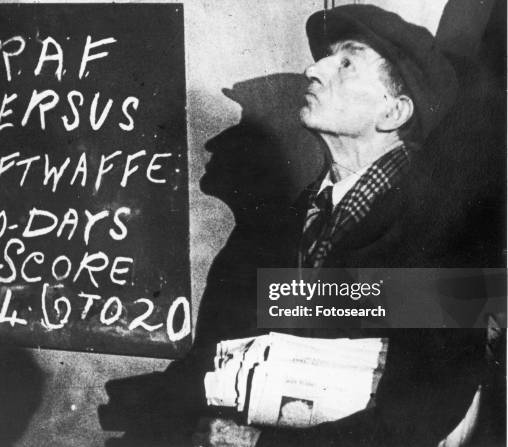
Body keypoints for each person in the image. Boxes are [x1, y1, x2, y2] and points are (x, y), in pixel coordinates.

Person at [198, 4, 493, 447]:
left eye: (347, 62)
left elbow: (421, 413)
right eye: (325, 57)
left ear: (393, 113)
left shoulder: (447, 229)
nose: (312, 68)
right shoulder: (287, 223)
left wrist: (258, 444)